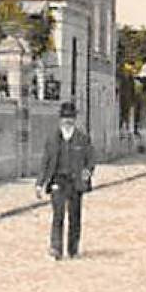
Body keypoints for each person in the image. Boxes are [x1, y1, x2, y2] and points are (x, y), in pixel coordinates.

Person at [36, 102, 93, 259]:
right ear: (60, 119)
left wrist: (87, 171)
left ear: (75, 119)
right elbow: (45, 161)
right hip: (58, 180)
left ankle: (73, 249)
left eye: (70, 117)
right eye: (65, 117)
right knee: (58, 214)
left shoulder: (82, 138)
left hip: (75, 182)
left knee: (75, 216)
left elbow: (90, 159)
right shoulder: (53, 139)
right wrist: (39, 184)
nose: (68, 121)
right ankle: (56, 248)